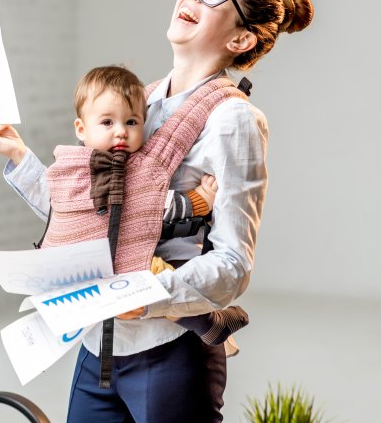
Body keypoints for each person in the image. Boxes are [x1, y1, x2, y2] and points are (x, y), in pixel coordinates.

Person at [0, 0, 313, 423]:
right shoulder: (135, 104)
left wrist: (146, 297)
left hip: (168, 355)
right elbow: (84, 215)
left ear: (240, 40)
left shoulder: (233, 120)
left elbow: (234, 265)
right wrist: (16, 154)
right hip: (97, 348)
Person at [54, 64, 250, 347]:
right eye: (107, 123)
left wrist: (198, 200)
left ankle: (209, 324)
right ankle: (210, 323)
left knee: (160, 276)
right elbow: (147, 203)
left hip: (118, 264)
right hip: (93, 265)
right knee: (155, 277)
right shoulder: (82, 167)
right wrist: (200, 200)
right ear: (81, 129)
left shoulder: (130, 166)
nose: (121, 132)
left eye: (131, 122)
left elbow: (157, 203)